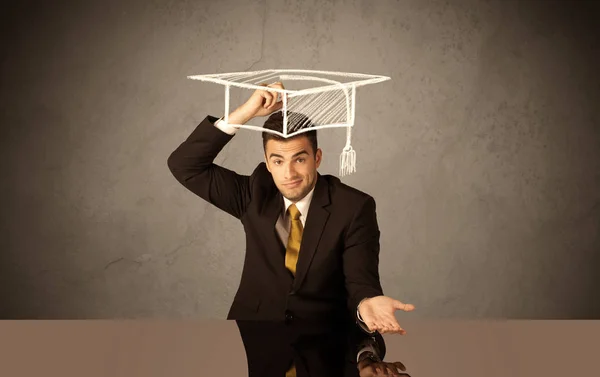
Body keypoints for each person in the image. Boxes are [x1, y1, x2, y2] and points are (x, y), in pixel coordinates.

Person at [167, 81, 415, 337]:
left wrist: (366, 304)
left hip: (323, 342)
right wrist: (246, 112)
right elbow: (185, 165)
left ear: (317, 158)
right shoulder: (254, 193)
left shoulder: (354, 207)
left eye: (299, 159)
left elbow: (360, 281)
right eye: (278, 160)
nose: (289, 174)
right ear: (267, 162)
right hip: (253, 339)